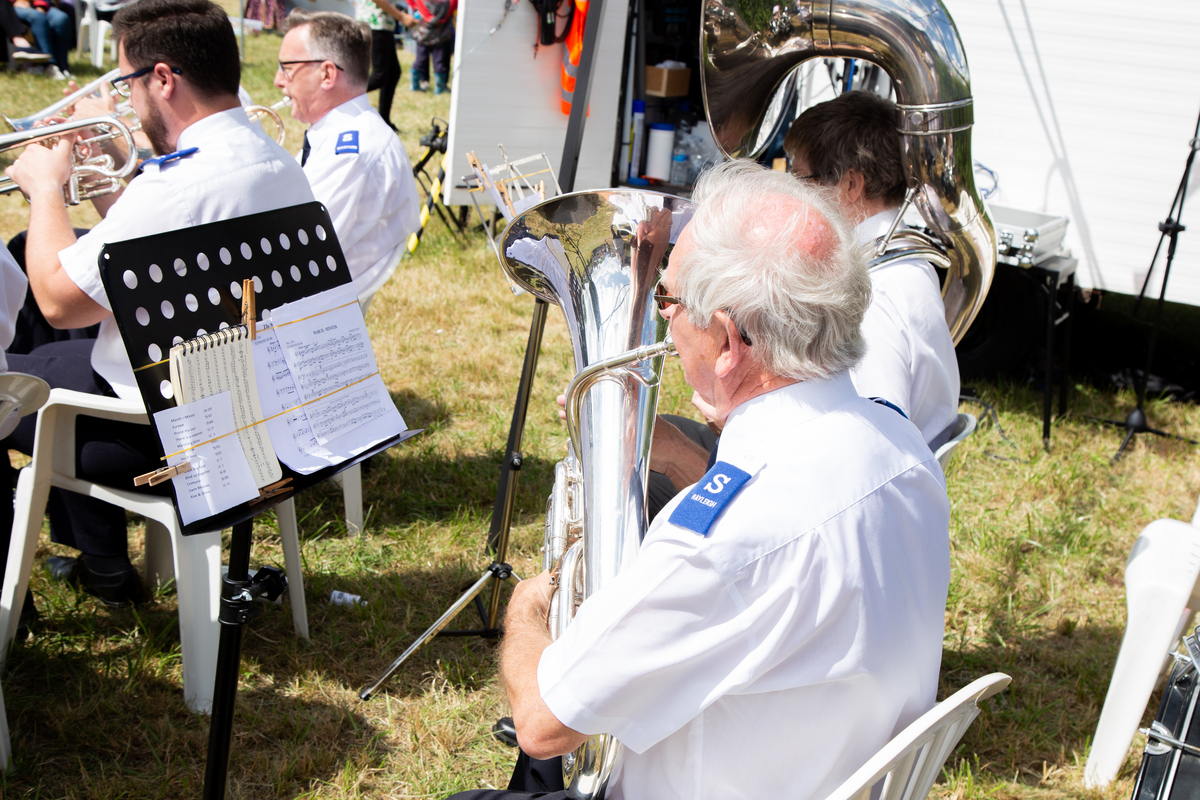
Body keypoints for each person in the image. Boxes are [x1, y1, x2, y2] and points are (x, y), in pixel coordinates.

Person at [462, 160, 951, 800]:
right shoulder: (903, 445)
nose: (661, 320)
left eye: (666, 301)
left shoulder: (719, 543)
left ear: (725, 341)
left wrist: (528, 612)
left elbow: (541, 723)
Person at [2, 0, 315, 607]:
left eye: (126, 84)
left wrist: (44, 189)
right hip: (252, 412)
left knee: (16, 374)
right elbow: (151, 244)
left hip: (159, 436)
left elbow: (60, 300)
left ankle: (82, 568)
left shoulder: (175, 186)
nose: (125, 100)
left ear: (164, 78)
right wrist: (111, 168)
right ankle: (102, 559)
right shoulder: (272, 160)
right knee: (59, 353)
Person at [784, 90, 961, 447]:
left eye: (801, 179)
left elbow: (874, 437)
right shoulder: (905, 260)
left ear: (850, 184)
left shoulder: (876, 291)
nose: (792, 195)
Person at [275, 9, 420, 301]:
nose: (278, 80)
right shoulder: (343, 134)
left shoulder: (351, 155)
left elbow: (297, 255)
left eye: (286, 68)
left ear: (327, 74)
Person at [354, 0, 402, 129]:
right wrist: (401, 17)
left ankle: (384, 120)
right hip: (374, 25)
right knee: (379, 76)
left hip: (383, 25)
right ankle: (340, 97)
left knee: (392, 73)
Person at [397, 0, 454, 95]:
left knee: (422, 59)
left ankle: (415, 84)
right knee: (438, 60)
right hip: (440, 32)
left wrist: (418, 9)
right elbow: (454, 4)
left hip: (424, 31)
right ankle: (439, 87)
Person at [9, 0, 71, 78]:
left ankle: (62, 67)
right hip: (12, 6)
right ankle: (49, 64)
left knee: (61, 18)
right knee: (37, 16)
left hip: (39, 4)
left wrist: (41, 5)